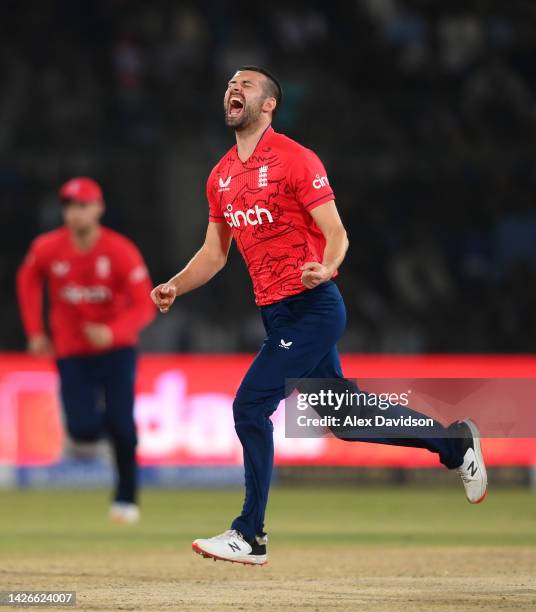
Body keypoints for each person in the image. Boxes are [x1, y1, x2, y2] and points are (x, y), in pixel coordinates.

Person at [150, 67, 487, 565]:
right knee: (344, 416)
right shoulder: (220, 176)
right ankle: (455, 442)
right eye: (228, 85)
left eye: (246, 85)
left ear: (269, 104)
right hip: (277, 316)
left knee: (249, 408)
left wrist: (327, 267)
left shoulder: (295, 159)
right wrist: (176, 284)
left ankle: (251, 534)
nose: (233, 89)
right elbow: (215, 253)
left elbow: (337, 231)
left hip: (313, 307)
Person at [17, 177, 155, 523]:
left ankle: (126, 499)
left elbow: (144, 305)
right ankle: (113, 430)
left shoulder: (120, 251)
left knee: (123, 427)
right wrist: (35, 332)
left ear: (99, 208)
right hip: (71, 350)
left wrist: (112, 332)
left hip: (116, 351)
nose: (75, 213)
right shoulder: (48, 248)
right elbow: (28, 280)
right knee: (80, 429)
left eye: (82, 205)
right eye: (69, 206)